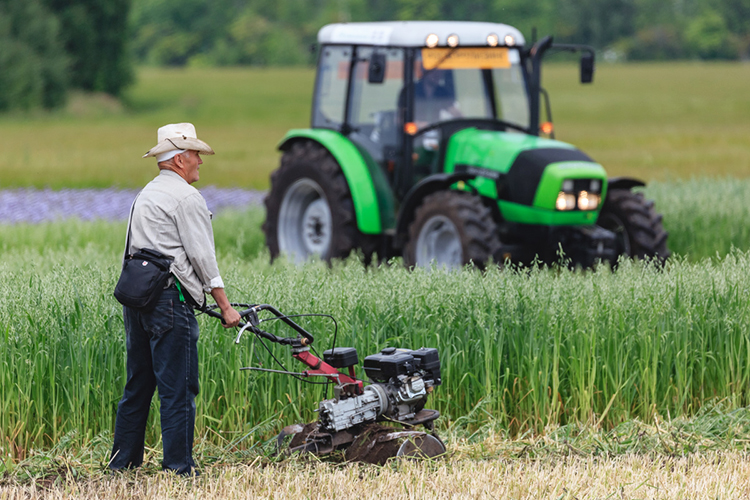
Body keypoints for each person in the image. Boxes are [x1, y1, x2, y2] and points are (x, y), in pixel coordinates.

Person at [110, 123, 241, 476]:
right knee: (179, 388)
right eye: (196, 154)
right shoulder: (186, 198)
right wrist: (226, 307)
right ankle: (179, 468)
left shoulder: (147, 194)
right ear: (180, 159)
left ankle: (120, 464)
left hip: (137, 299)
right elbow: (203, 258)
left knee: (138, 384)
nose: (201, 161)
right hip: (170, 301)